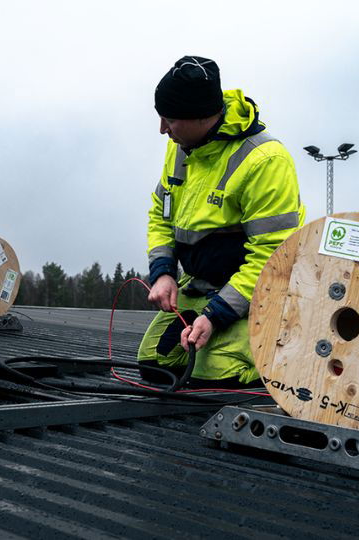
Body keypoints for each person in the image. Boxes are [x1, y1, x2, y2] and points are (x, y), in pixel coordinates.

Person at [137, 55, 305, 388]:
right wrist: (164, 274)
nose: (162, 129)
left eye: (169, 119)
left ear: (201, 117)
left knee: (210, 376)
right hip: (200, 287)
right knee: (155, 364)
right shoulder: (183, 147)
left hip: (255, 297)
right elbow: (161, 213)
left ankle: (286, 358)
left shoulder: (266, 160)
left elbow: (271, 257)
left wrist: (215, 316)